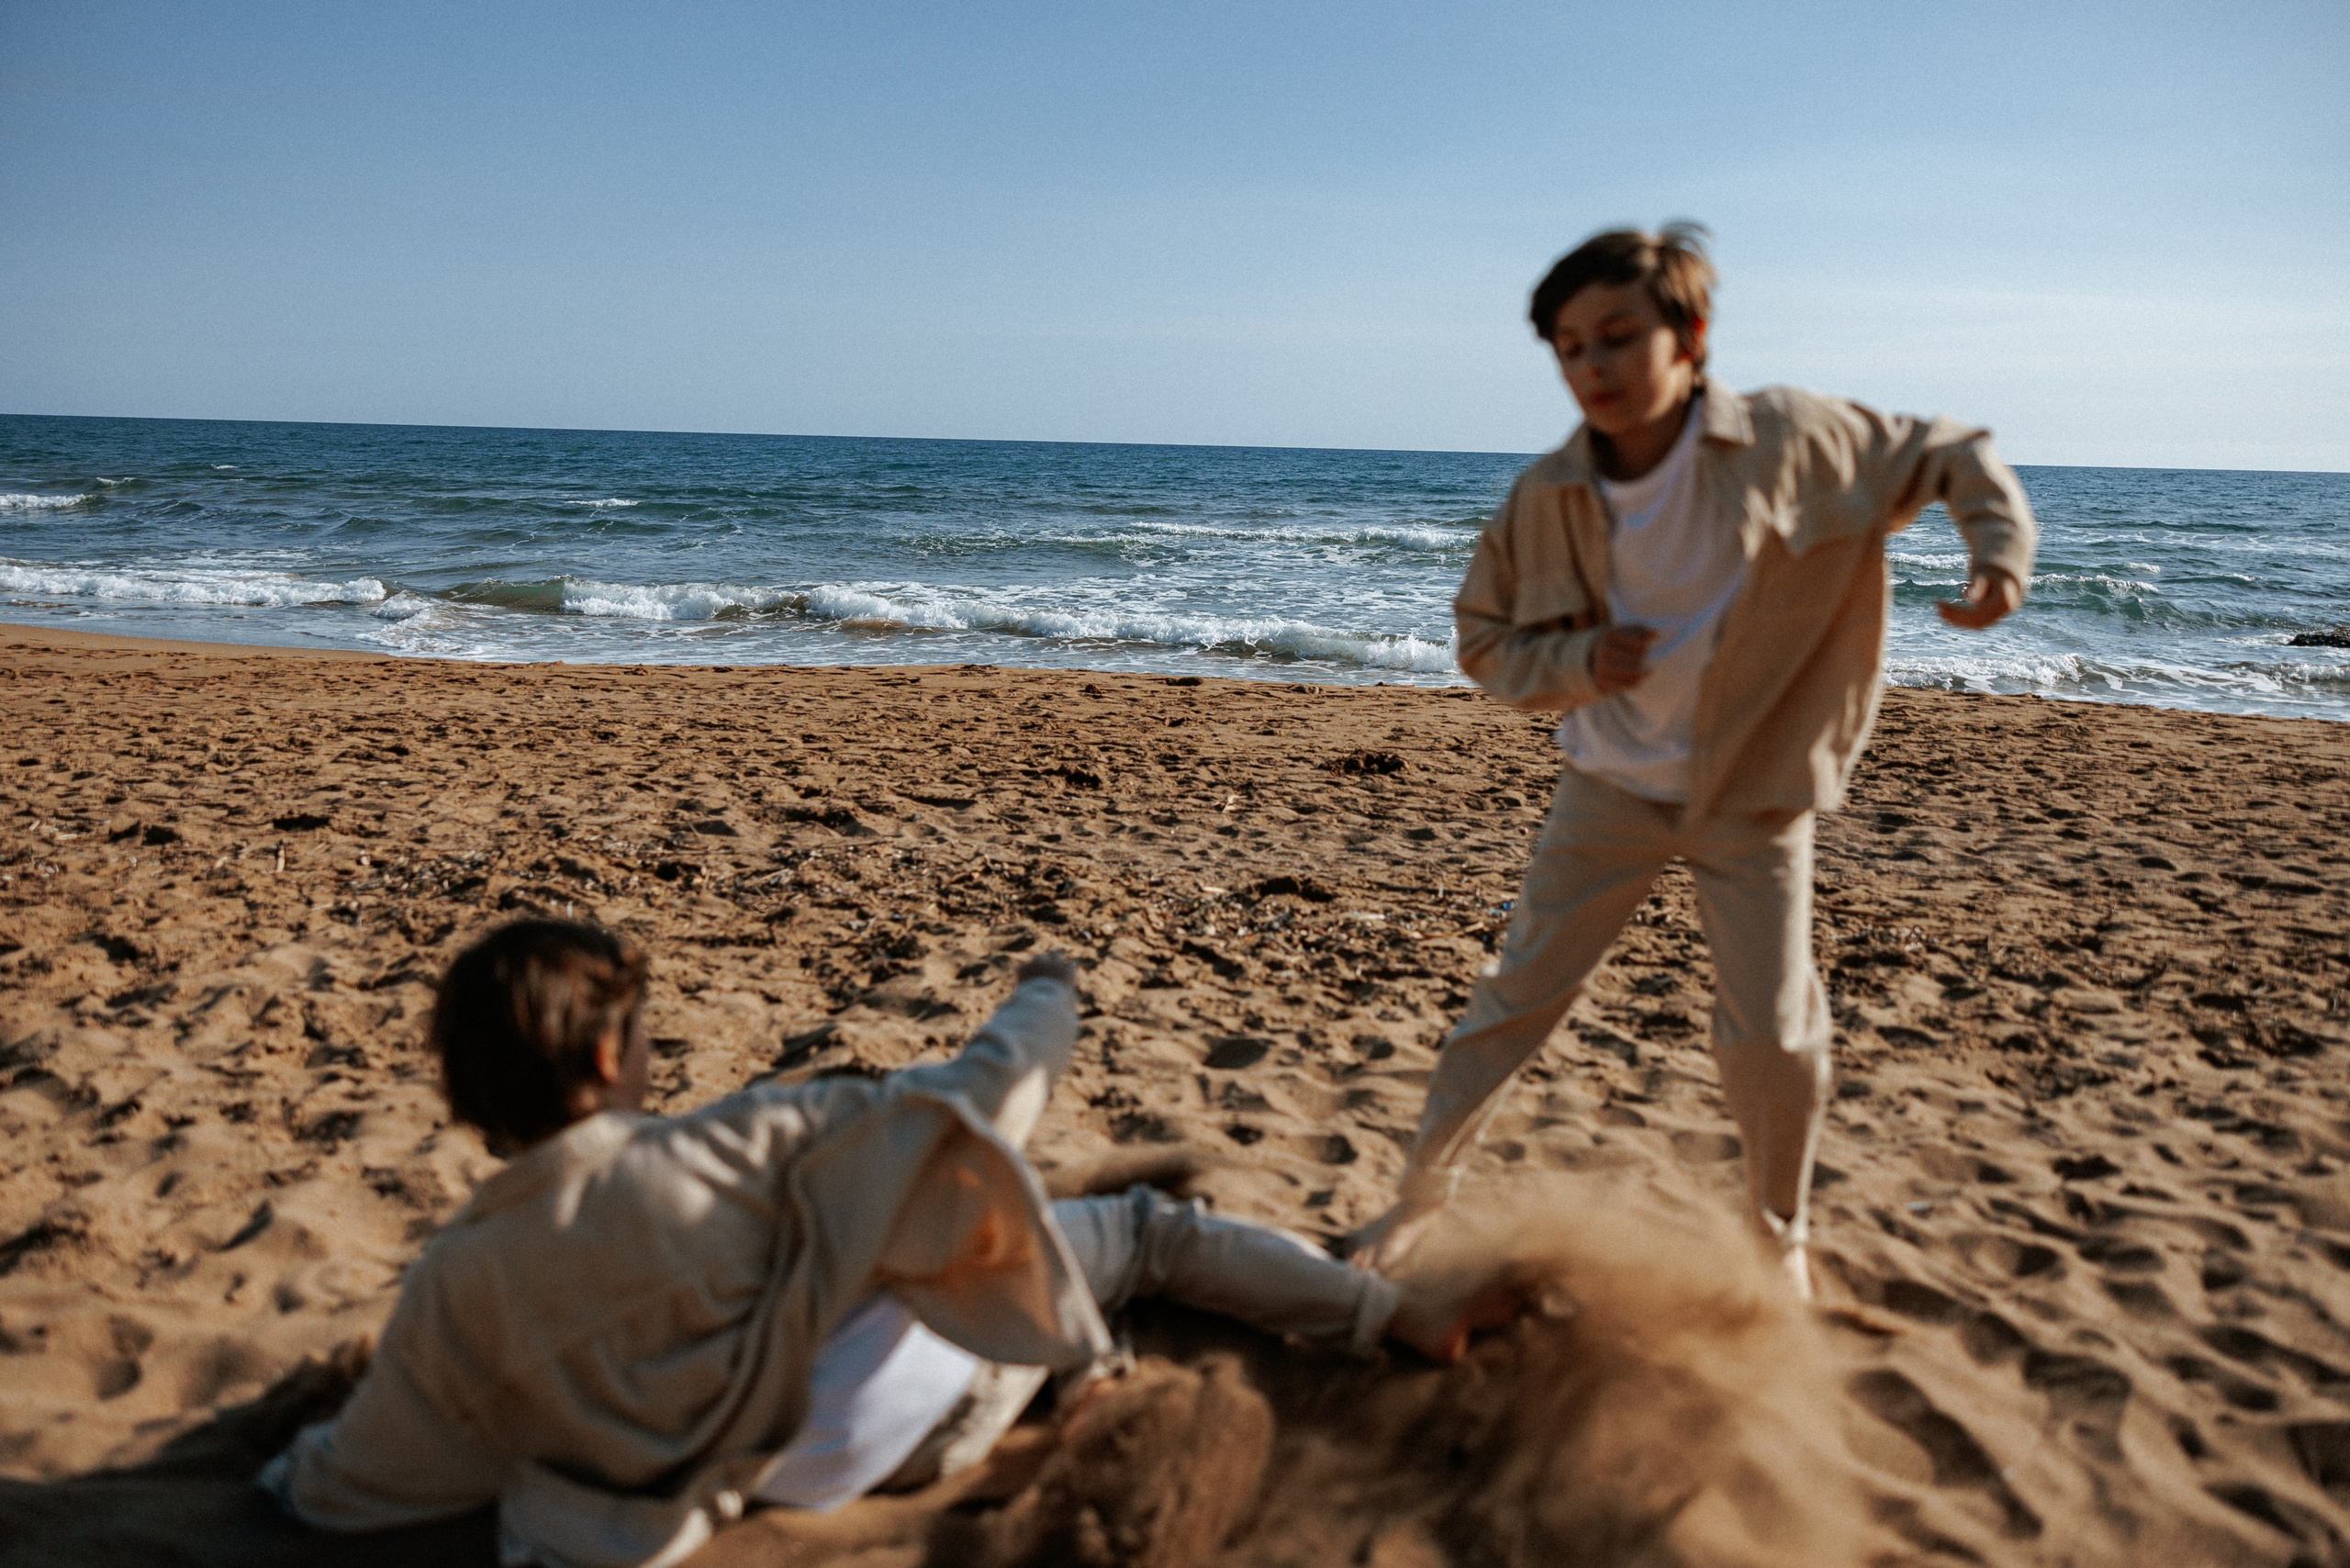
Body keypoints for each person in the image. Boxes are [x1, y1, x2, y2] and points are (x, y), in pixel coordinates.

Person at [260, 920, 1488, 1568]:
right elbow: (989, 1095)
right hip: (894, 1432)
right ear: (601, 1059)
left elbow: (352, 1479)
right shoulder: (728, 1147)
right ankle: (1396, 1318)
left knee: (873, 1235)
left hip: (723, 1483)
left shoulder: (453, 1280)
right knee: (1140, 1233)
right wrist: (1050, 988)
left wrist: (283, 1475)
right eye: (636, 1038)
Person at [1351, 224, 2036, 1298]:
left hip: (1753, 798)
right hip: (1607, 789)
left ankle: (1780, 1242)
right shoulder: (1547, 496)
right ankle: (1416, 1201)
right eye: (1570, 349)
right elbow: (1482, 643)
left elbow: (1950, 449)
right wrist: (1579, 657)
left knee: (1770, 1033)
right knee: (1515, 998)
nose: (1594, 369)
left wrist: (1997, 553)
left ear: (1692, 335)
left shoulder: (1791, 437)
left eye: (1618, 337)